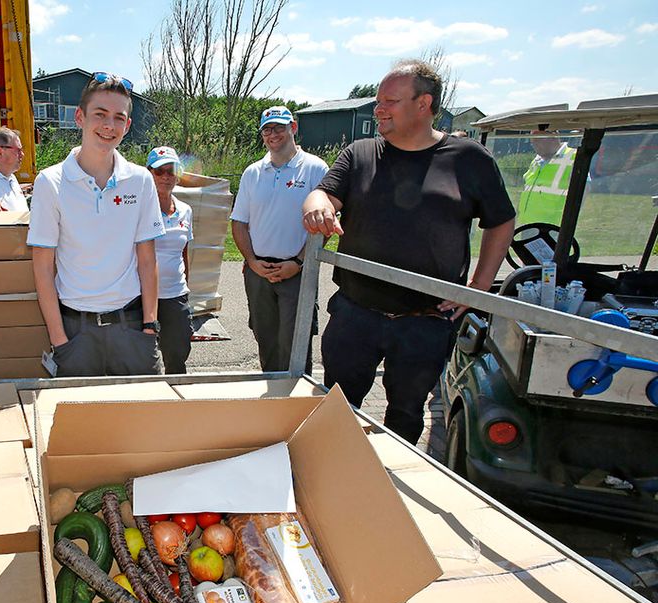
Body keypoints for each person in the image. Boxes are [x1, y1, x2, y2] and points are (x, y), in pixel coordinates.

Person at [302, 59, 516, 445]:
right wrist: (317, 205)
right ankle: (334, 479)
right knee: (335, 408)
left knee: (405, 414)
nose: (378, 109)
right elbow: (324, 193)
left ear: (423, 104)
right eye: (378, 101)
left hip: (425, 322)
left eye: (390, 101)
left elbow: (500, 221)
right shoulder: (361, 154)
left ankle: (391, 485)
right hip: (356, 315)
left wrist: (478, 286)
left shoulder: (468, 160)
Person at [27, 72, 164, 377]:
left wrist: (149, 326)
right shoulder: (51, 182)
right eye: (100, 114)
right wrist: (59, 340)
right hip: (76, 333)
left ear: (127, 126)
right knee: (80, 423)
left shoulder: (140, 180)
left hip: (131, 328)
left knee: (141, 419)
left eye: (118, 118)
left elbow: (147, 259)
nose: (108, 126)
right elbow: (42, 267)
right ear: (80, 117)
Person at [231, 106, 328, 372]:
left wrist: (297, 262)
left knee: (295, 344)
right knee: (266, 340)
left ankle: (296, 404)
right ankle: (271, 400)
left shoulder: (314, 168)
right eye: (267, 129)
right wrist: (251, 261)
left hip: (296, 271)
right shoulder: (253, 172)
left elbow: (323, 226)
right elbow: (239, 222)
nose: (273, 134)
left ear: (293, 128)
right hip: (258, 272)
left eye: (279, 128)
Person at [146, 145, 193, 374]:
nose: (165, 176)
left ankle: (178, 403)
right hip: (144, 297)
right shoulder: (139, 210)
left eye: (171, 171)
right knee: (145, 360)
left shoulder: (186, 210)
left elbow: (184, 251)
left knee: (177, 355)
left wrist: (187, 288)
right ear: (149, 174)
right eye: (159, 171)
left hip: (175, 295)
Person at [518, 130, 577, 226]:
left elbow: (583, 191)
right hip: (528, 225)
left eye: (537, 141)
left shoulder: (573, 157)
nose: (534, 145)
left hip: (554, 229)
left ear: (553, 136)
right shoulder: (536, 161)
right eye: (532, 142)